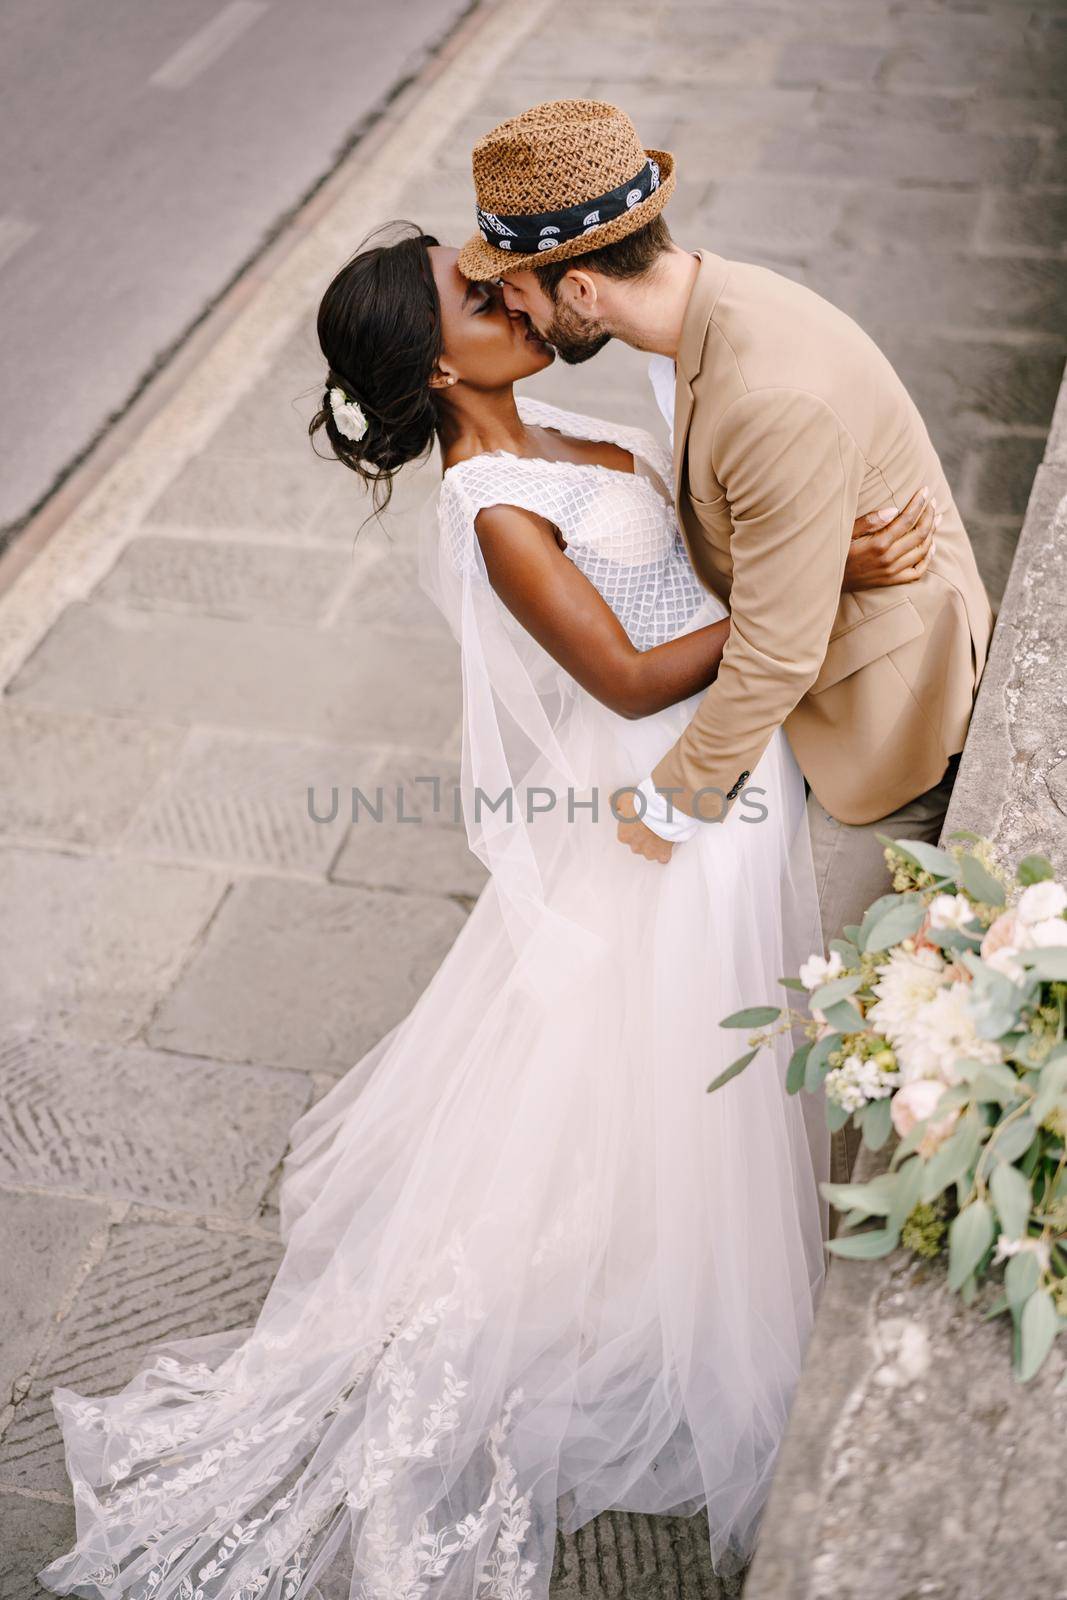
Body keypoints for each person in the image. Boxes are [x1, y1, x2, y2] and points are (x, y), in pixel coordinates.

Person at [37, 224, 931, 1600]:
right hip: (656, 784)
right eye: (475, 294)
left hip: (724, 760)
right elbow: (628, 679)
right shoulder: (490, 502)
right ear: (436, 362)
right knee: (675, 1037)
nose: (506, 294)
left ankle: (677, 1253)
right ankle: (679, 1290)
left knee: (691, 1032)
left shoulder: (558, 412)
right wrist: (810, 585)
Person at [465, 101, 995, 1184]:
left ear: (576, 285)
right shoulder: (707, 309)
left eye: (511, 282)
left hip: (877, 718)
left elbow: (773, 655)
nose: (505, 305)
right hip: (830, 644)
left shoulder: (759, 391)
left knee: (798, 995)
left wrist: (668, 807)